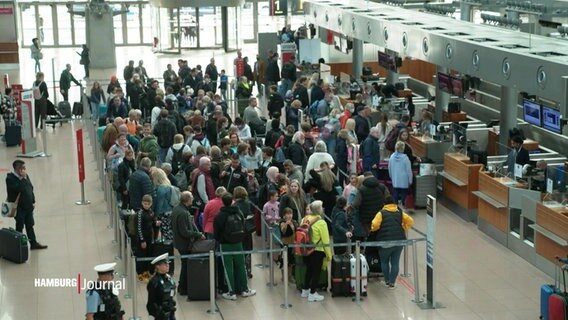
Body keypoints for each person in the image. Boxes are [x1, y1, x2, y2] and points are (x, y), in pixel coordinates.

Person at [214, 193, 257, 300]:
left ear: (222, 202)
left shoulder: (219, 216)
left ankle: (231, 292)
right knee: (241, 266)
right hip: (238, 243)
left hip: (225, 244)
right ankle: (245, 289)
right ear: (232, 200)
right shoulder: (239, 212)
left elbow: (216, 232)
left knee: (228, 268)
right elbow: (243, 224)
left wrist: (221, 240)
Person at [370, 196, 414, 289]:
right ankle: (392, 283)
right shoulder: (400, 212)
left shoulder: (381, 213)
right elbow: (410, 221)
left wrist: (375, 229)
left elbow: (374, 224)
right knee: (395, 262)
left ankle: (386, 281)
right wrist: (404, 227)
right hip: (399, 241)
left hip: (385, 242)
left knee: (384, 262)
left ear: (384, 204)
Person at [5, 160, 47, 249]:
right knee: (20, 226)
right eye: (23, 168)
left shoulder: (25, 176)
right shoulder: (10, 179)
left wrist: (33, 201)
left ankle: (33, 243)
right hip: (19, 208)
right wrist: (22, 178)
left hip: (28, 206)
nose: (25, 170)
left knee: (30, 225)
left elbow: (30, 188)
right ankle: (18, 245)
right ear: (18, 169)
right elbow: (20, 188)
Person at [172, 191, 205, 295]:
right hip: (184, 243)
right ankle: (183, 287)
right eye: (191, 198)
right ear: (187, 200)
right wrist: (198, 234)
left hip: (179, 242)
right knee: (185, 265)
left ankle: (183, 286)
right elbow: (185, 232)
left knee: (185, 263)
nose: (193, 200)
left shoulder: (177, 209)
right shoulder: (183, 213)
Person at [300, 200, 331, 302]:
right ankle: (313, 293)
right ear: (318, 210)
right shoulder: (321, 222)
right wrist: (329, 255)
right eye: (321, 207)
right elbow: (325, 240)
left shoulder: (304, 219)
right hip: (317, 250)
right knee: (316, 272)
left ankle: (305, 290)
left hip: (305, 249)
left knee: (309, 270)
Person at [135, 194, 159, 281]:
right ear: (142, 203)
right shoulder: (140, 214)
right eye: (145, 204)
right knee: (142, 255)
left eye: (148, 204)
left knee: (149, 254)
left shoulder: (151, 212)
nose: (146, 206)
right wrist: (142, 240)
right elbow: (138, 228)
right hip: (143, 238)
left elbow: (153, 223)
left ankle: (148, 271)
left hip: (150, 237)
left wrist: (156, 224)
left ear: (151, 204)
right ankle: (141, 273)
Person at [147, 253, 177, 320]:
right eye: (165, 264)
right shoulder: (154, 282)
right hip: (160, 314)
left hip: (170, 312)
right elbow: (151, 301)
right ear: (158, 266)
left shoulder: (169, 279)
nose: (167, 266)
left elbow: (172, 293)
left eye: (168, 264)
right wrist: (152, 315)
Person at [389, 141, 413, 208]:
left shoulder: (392, 157)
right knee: (404, 194)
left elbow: (389, 168)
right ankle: (403, 205)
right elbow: (409, 171)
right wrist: (410, 180)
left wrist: (391, 176)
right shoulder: (405, 158)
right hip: (404, 180)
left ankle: (395, 206)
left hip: (395, 179)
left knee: (395, 193)